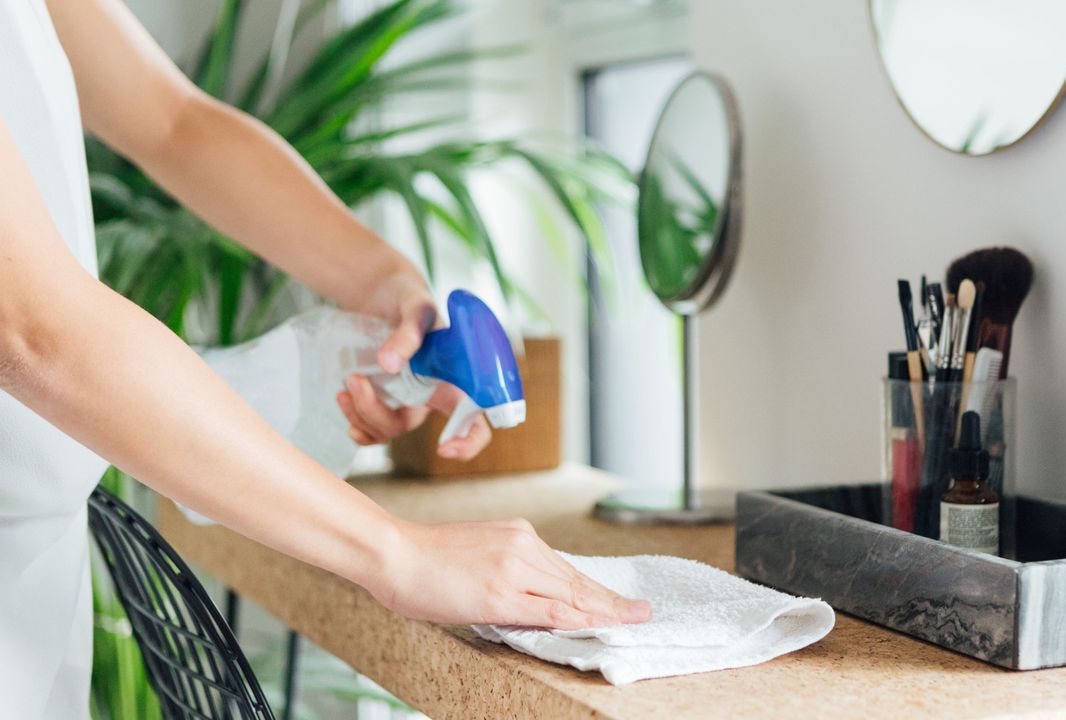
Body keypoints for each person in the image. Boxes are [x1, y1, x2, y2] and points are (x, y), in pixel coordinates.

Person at [0, 0, 651, 716]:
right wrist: (397, 553)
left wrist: (380, 282)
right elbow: (32, 330)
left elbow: (169, 119)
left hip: (34, 576)